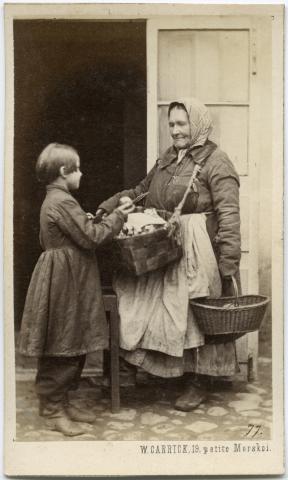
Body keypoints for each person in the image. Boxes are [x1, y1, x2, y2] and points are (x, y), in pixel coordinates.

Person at [96, 98, 241, 411]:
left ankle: (199, 381)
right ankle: (168, 374)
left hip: (199, 249)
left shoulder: (217, 161)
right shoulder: (166, 160)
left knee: (194, 311)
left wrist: (228, 263)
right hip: (166, 246)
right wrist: (109, 206)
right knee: (157, 306)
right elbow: (140, 191)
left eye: (181, 124)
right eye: (171, 124)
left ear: (197, 124)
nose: (175, 131)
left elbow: (229, 212)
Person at [18, 143, 134, 436]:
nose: (81, 174)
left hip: (68, 278)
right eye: (77, 169)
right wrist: (118, 216)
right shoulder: (63, 202)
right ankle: (52, 410)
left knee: (69, 341)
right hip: (65, 281)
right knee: (63, 344)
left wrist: (98, 218)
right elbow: (92, 237)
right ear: (63, 172)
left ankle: (62, 403)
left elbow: (81, 229)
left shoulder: (57, 200)